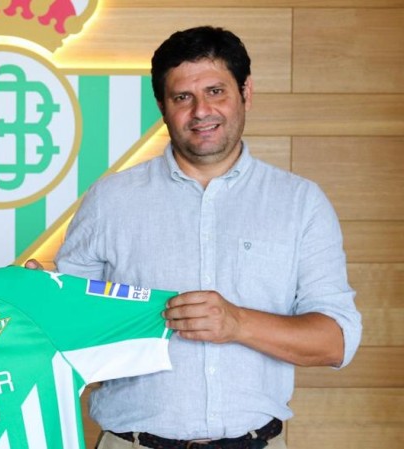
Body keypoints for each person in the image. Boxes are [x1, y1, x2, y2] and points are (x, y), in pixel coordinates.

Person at [31, 26, 362, 448]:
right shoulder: (109, 199)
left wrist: (238, 323)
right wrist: (43, 301)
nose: (201, 111)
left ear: (246, 92)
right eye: (182, 97)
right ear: (162, 107)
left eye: (215, 91)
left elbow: (335, 341)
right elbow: (70, 332)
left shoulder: (300, 202)